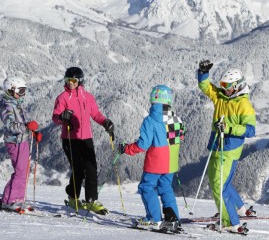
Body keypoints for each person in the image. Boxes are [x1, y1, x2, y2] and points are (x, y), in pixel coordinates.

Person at [197, 60, 256, 234]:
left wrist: (229, 128)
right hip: (217, 144)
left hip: (229, 148)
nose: (223, 88)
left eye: (227, 86)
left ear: (237, 86)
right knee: (223, 182)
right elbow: (205, 86)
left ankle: (230, 221)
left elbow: (251, 130)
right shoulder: (221, 97)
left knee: (218, 185)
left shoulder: (244, 105)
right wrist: (203, 73)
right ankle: (239, 209)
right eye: (222, 85)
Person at [117, 85, 185, 230]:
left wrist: (126, 148)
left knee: (146, 187)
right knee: (165, 187)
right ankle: (173, 218)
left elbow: (143, 145)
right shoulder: (175, 118)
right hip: (171, 163)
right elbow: (181, 137)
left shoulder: (150, 120)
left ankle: (154, 218)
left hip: (156, 162)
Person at [52, 67, 114, 215]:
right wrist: (62, 118)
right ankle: (73, 197)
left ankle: (91, 200)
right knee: (78, 169)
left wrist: (105, 122)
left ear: (80, 81)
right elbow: (55, 117)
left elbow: (96, 114)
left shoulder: (88, 97)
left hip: (86, 138)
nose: (70, 83)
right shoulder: (62, 98)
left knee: (91, 169)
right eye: (67, 81)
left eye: (73, 81)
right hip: (70, 139)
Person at [0, 76, 42, 212]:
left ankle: (15, 198)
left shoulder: (16, 104)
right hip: (15, 142)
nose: (22, 94)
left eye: (24, 91)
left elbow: (26, 121)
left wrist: (33, 131)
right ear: (11, 90)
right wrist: (27, 127)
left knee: (23, 172)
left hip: (23, 140)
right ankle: (11, 200)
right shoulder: (6, 106)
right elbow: (10, 125)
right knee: (20, 171)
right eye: (20, 91)